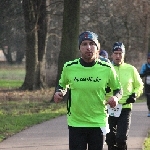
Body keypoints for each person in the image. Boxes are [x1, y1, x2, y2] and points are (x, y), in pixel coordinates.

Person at [54, 31, 123, 150]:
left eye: (92, 44)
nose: (88, 47)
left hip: (98, 121)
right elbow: (62, 85)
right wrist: (59, 92)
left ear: (97, 47)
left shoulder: (106, 68)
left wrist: (116, 98)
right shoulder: (69, 67)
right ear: (79, 48)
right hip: (76, 122)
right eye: (84, 44)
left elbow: (118, 89)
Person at [105, 42, 144, 150]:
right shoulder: (106, 68)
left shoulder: (131, 69)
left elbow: (139, 85)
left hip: (125, 108)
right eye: (116, 53)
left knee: (121, 138)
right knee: (110, 139)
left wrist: (135, 94)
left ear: (124, 54)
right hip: (109, 107)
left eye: (120, 53)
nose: (118, 56)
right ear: (112, 54)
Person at [139, 53, 150, 117]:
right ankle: (149, 110)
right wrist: (145, 73)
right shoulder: (145, 66)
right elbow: (141, 75)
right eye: (149, 59)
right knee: (148, 99)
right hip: (147, 85)